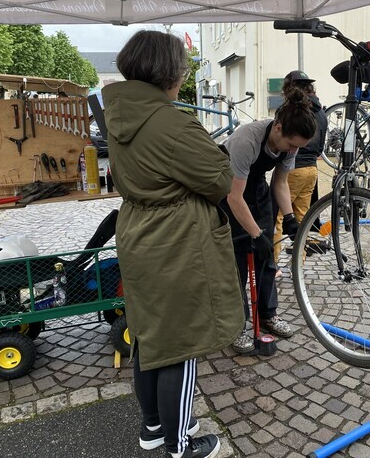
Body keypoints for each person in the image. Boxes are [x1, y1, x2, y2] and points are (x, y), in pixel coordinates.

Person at [103, 30, 244, 458]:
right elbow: (219, 179)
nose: (184, 75)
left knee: (149, 337)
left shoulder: (120, 113)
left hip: (139, 234)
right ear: (169, 72)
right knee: (181, 344)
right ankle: (178, 444)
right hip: (176, 241)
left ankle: (153, 427)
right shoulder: (171, 121)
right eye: (182, 67)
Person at [219, 87, 317, 353]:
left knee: (267, 261)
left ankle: (268, 315)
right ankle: (237, 326)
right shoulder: (246, 141)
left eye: (299, 146)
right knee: (236, 265)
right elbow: (234, 198)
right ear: (277, 128)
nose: (294, 150)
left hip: (257, 191)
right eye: (292, 144)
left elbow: (281, 182)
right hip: (227, 193)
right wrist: (254, 234)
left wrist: (289, 218)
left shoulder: (291, 144)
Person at [272, 70, 328, 265]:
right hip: (312, 169)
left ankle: (273, 263)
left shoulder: (290, 110)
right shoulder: (321, 111)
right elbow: (322, 145)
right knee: (302, 216)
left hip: (293, 168)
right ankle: (299, 260)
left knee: (277, 217)